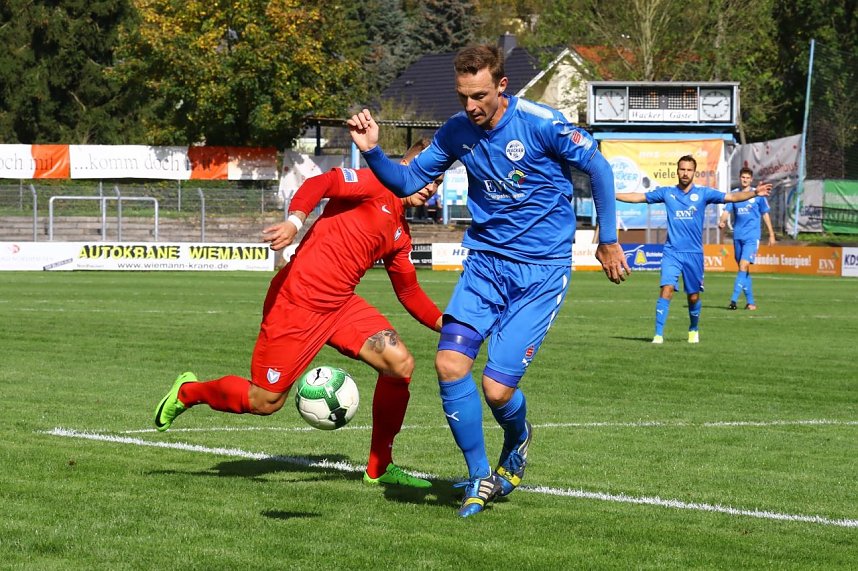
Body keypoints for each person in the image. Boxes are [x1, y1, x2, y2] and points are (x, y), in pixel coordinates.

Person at [347, 44, 629, 517]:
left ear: (502, 86)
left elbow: (597, 165)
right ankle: (480, 478)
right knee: (450, 365)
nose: (470, 107)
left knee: (497, 391)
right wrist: (373, 150)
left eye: (479, 95)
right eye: (463, 97)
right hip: (484, 266)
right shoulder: (458, 132)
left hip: (540, 273)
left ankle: (518, 436)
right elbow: (405, 181)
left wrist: (609, 238)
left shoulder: (540, 123)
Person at [153, 139, 444, 489]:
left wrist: (451, 326)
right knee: (265, 401)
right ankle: (189, 392)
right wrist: (294, 222)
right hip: (296, 301)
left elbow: (409, 291)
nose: (431, 186)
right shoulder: (373, 184)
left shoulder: (400, 234)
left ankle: (379, 466)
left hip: (341, 305)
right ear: (406, 165)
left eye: (438, 180)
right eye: (428, 174)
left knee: (400, 365)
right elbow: (319, 183)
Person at [616, 155, 771, 344]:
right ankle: (658, 335)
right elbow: (639, 197)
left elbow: (731, 197)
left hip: (694, 254)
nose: (685, 173)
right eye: (682, 169)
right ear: (677, 171)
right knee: (666, 289)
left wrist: (755, 192)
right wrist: (611, 194)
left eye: (689, 170)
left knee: (693, 296)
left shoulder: (704, 193)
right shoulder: (667, 193)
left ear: (694, 172)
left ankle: (693, 328)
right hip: (671, 252)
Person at [719, 167, 776, 310]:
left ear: (751, 179)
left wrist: (771, 233)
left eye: (747, 178)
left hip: (752, 237)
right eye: (742, 177)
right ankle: (750, 302)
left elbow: (765, 214)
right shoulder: (734, 195)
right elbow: (726, 211)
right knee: (743, 270)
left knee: (743, 266)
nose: (745, 180)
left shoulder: (758, 195)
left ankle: (733, 300)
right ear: (740, 178)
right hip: (737, 236)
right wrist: (722, 221)